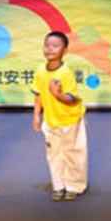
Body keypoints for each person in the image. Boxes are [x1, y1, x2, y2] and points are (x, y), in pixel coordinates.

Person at [31, 31, 88, 201]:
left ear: (65, 50)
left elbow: (71, 98)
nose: (50, 49)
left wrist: (57, 94)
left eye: (55, 46)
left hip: (70, 119)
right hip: (51, 120)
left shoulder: (65, 72)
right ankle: (58, 185)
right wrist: (36, 115)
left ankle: (74, 186)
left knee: (73, 153)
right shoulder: (40, 70)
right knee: (54, 154)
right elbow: (38, 94)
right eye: (47, 45)